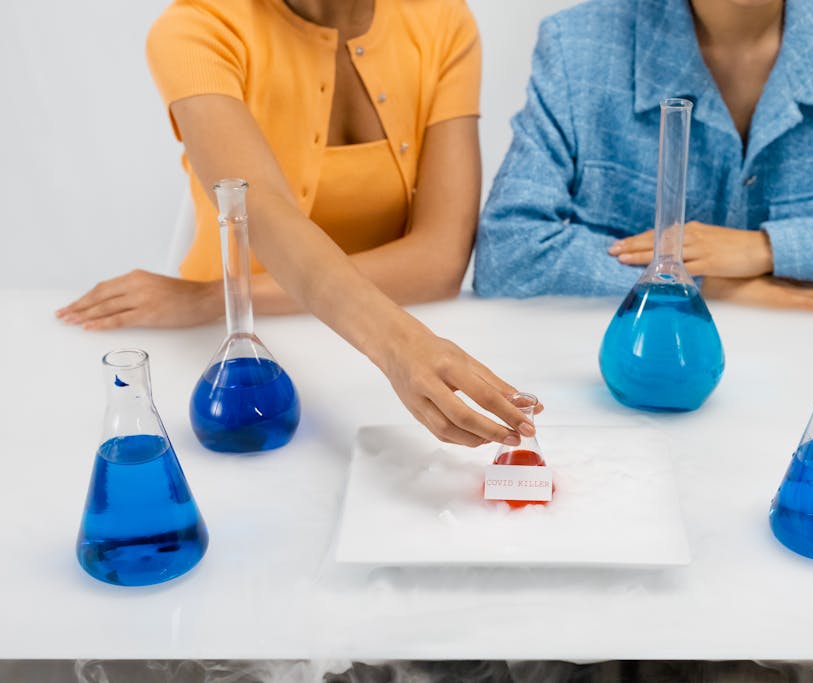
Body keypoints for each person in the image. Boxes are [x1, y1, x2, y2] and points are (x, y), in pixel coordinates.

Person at [58, 0, 536, 449]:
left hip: (364, 346)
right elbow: (258, 211)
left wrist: (212, 298)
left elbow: (439, 261)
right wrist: (398, 344)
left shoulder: (441, 19)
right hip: (231, 357)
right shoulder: (197, 28)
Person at [474, 0, 813, 313]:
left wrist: (767, 249)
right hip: (627, 392)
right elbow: (509, 254)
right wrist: (711, 283)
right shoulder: (578, 48)